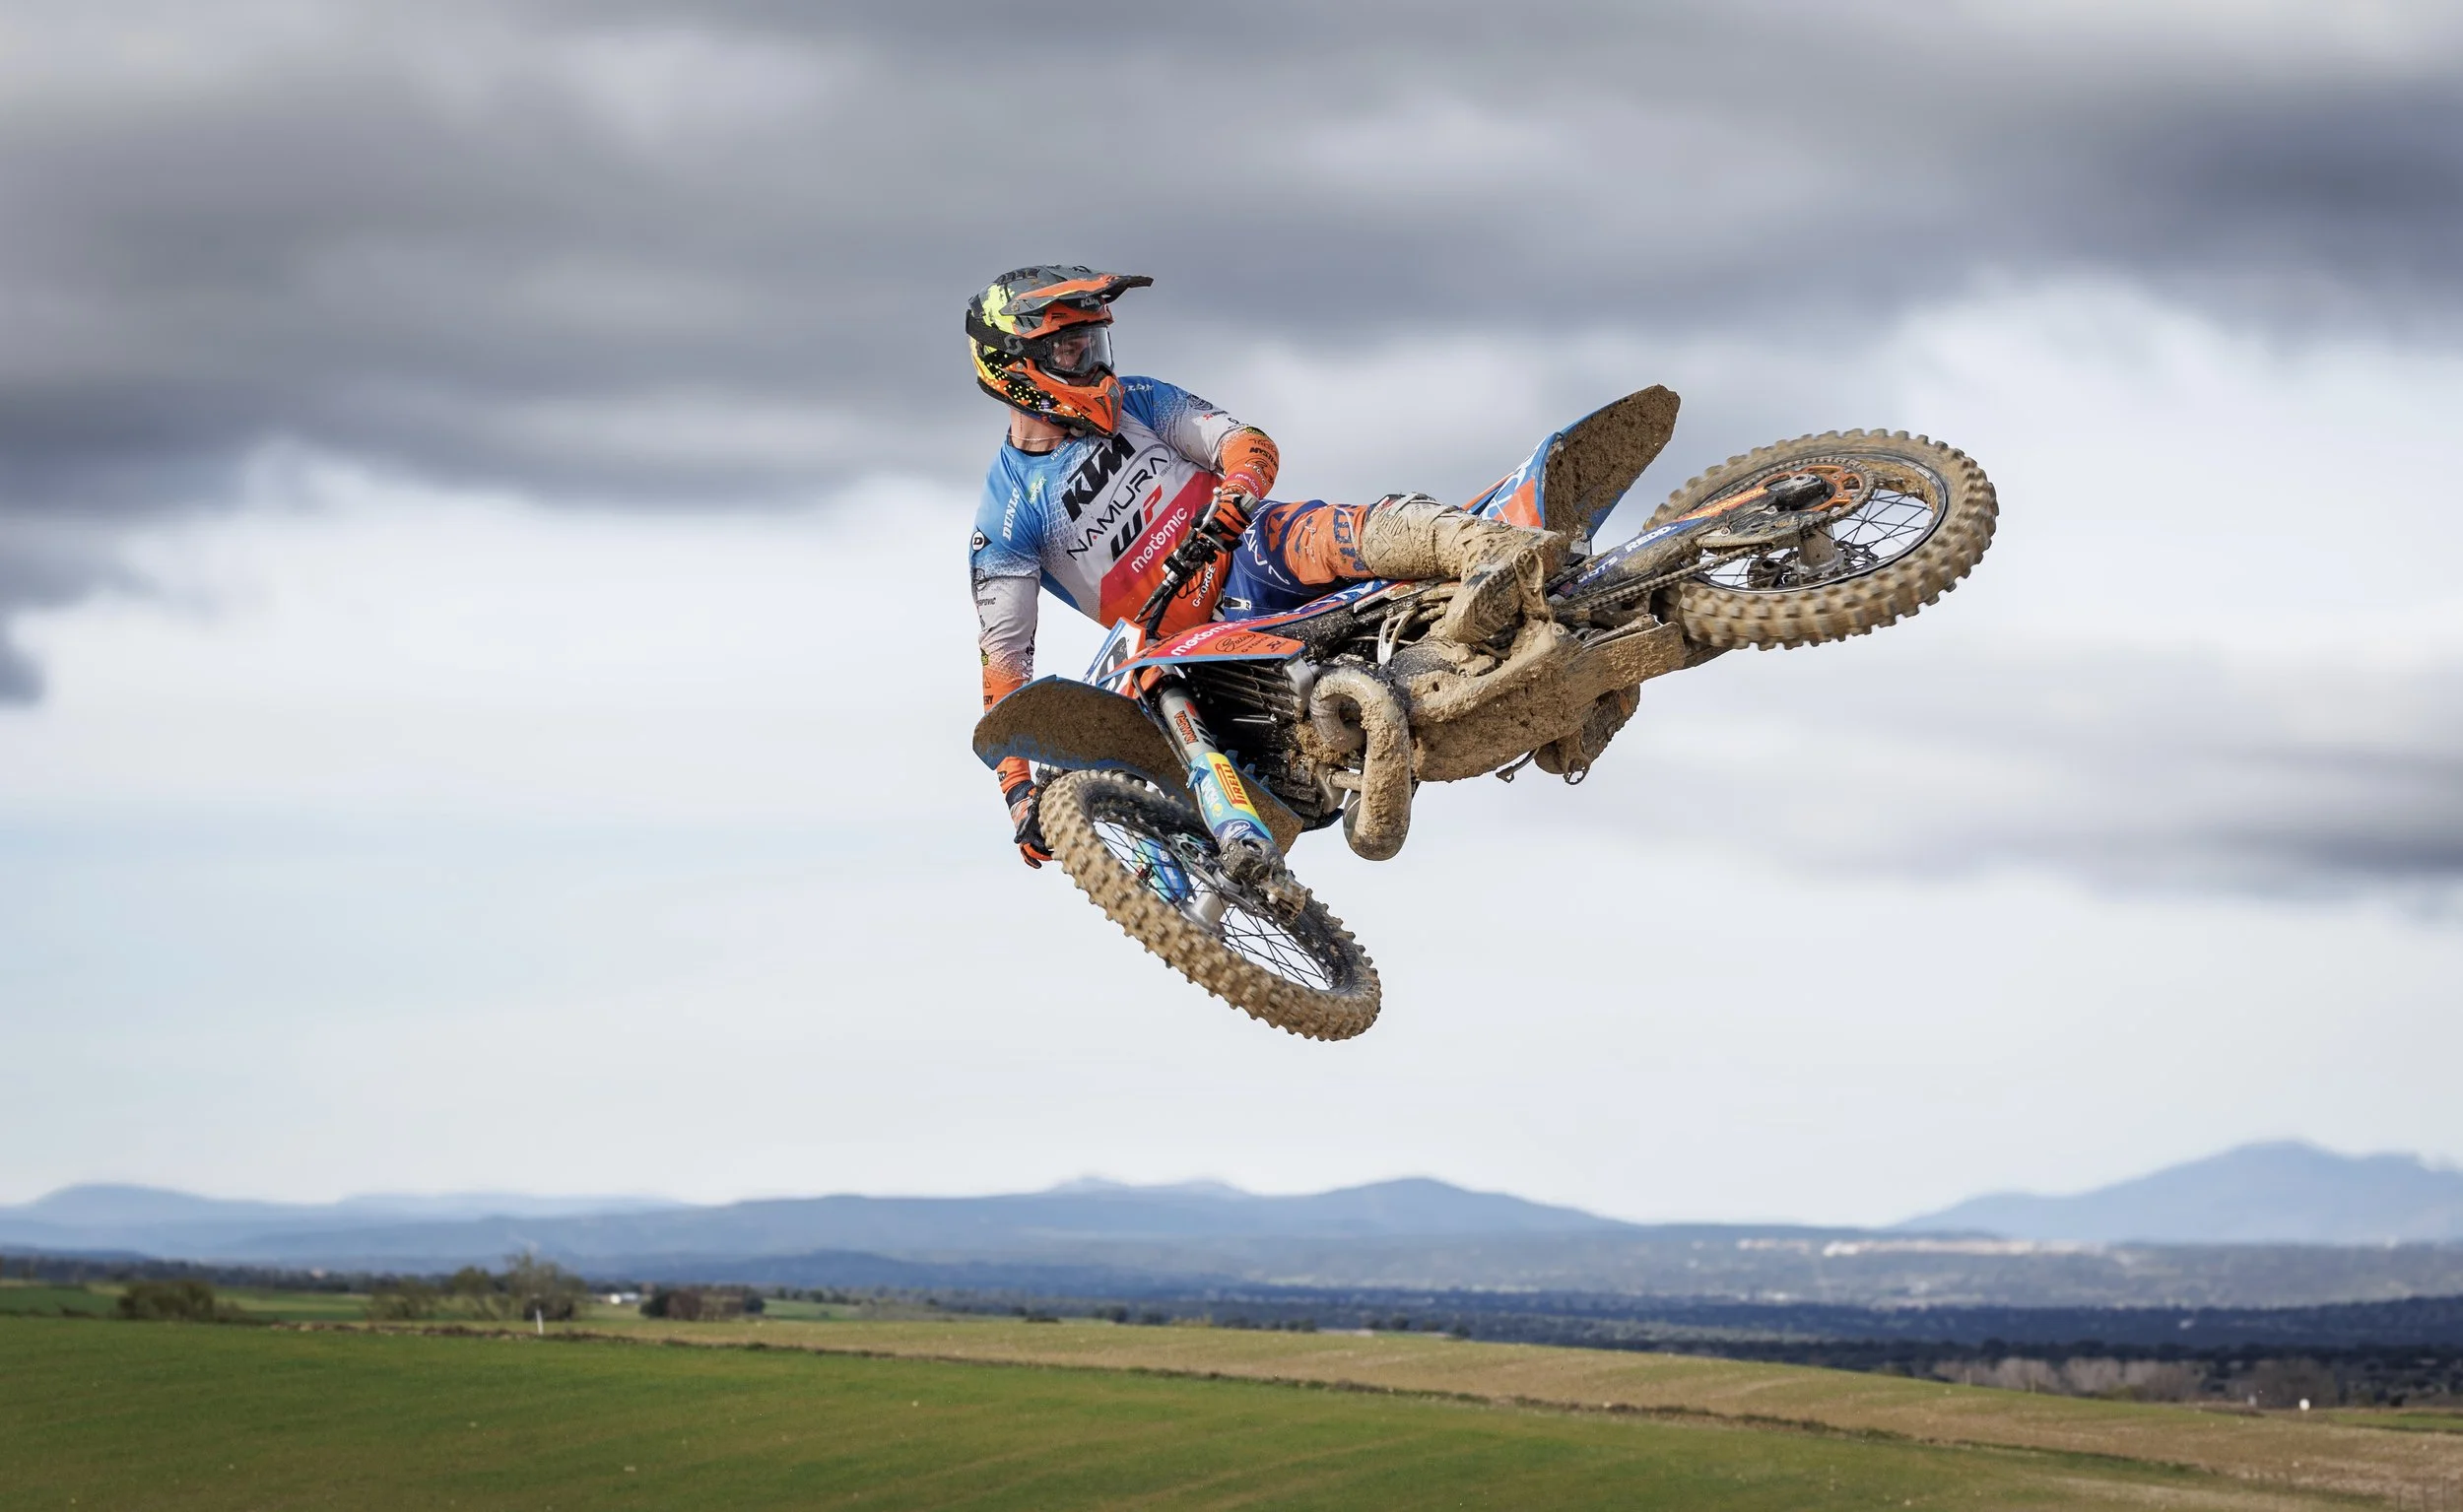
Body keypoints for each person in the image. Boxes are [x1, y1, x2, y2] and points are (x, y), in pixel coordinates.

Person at [966, 265, 1560, 868]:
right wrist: (1017, 792)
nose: (1094, 366)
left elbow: (1245, 443)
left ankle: (1483, 548)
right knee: (1140, 730)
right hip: (1185, 647)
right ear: (1016, 364)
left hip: (1245, 552)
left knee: (1312, 532)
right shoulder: (1007, 516)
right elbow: (1005, 664)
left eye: (1095, 345)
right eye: (1071, 350)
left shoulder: (1140, 400)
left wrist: (1233, 501)